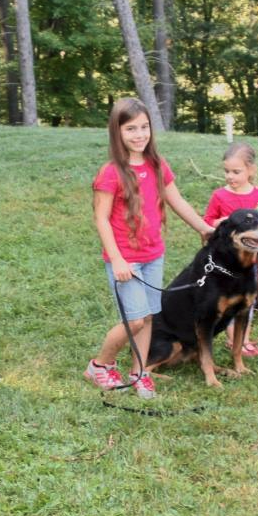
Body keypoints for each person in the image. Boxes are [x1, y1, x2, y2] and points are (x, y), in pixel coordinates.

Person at [84, 97, 214, 399]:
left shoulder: (157, 165)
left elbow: (176, 200)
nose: (140, 134)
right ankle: (99, 365)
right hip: (125, 261)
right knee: (134, 319)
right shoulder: (111, 172)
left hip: (153, 255)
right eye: (131, 129)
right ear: (117, 132)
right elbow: (101, 219)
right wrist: (116, 259)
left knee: (150, 316)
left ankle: (139, 372)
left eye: (144, 127)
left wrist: (203, 228)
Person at [203, 142, 258, 357]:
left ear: (251, 170)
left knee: (249, 298)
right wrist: (222, 221)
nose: (230, 176)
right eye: (227, 171)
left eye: (236, 172)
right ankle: (231, 337)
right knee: (228, 297)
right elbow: (208, 221)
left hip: (253, 259)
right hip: (227, 261)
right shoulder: (220, 196)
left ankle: (243, 338)